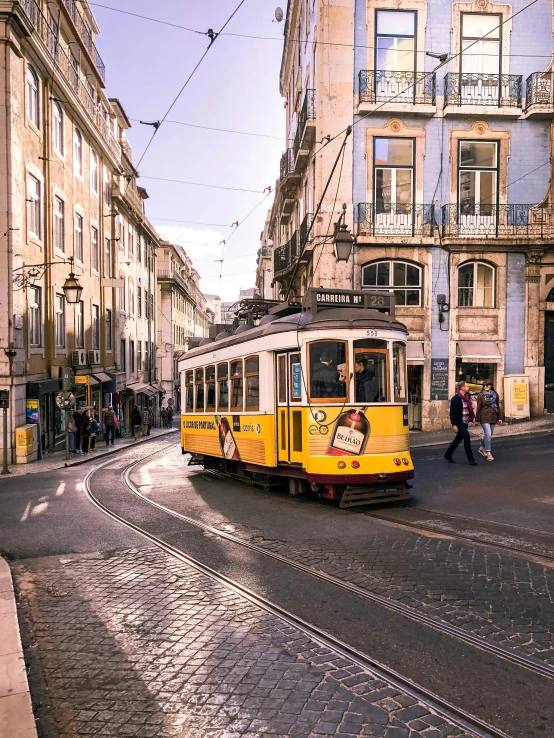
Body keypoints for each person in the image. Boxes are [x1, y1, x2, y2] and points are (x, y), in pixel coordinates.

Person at [445, 381, 477, 465]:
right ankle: (471, 459)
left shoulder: (467, 396)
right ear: (462, 388)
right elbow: (452, 413)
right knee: (467, 437)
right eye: (467, 386)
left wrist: (472, 419)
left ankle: (448, 454)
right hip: (460, 422)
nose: (468, 388)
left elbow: (469, 408)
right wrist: (454, 425)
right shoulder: (455, 399)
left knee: (458, 439)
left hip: (465, 421)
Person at [476, 380, 503, 461]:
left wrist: (500, 417)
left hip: (493, 416)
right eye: (484, 385)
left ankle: (482, 446)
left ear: (491, 386)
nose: (485, 387)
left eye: (487, 385)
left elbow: (497, 406)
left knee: (489, 434)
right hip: (484, 417)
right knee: (488, 433)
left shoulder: (495, 395)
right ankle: (488, 453)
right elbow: (479, 408)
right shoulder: (481, 395)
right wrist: (477, 419)